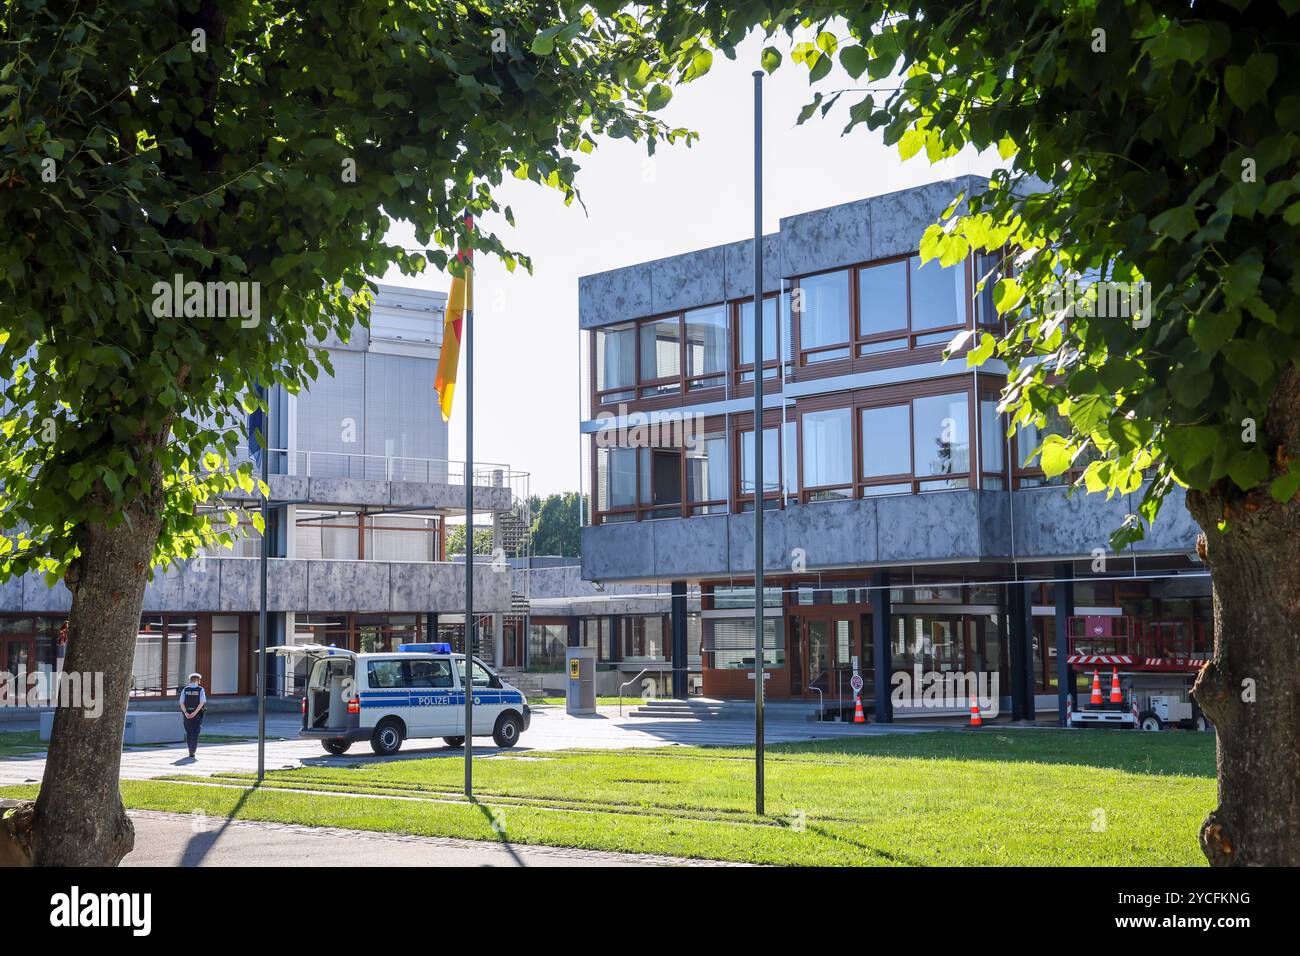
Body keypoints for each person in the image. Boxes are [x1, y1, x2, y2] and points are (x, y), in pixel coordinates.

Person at [179, 672, 206, 759]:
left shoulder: (185, 689)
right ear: (198, 680)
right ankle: (192, 751)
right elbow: (202, 702)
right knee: (195, 732)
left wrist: (186, 713)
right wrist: (195, 713)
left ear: (190, 680)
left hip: (187, 715)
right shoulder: (200, 689)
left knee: (189, 732)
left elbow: (181, 702)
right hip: (197, 715)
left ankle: (190, 750)